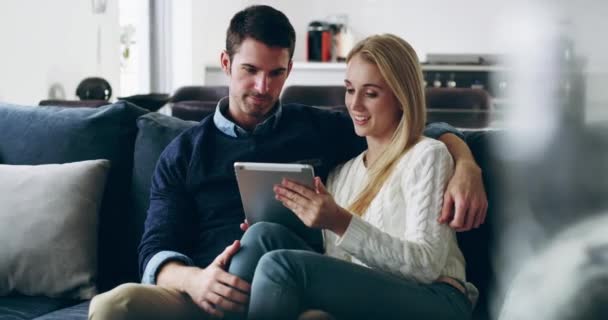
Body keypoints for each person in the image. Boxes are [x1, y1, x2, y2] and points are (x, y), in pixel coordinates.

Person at [88, 5, 485, 320]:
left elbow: (411, 129)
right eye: (250, 70)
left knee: (277, 260)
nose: (262, 87)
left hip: (289, 285)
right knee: (112, 306)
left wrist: (466, 162)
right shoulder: (183, 152)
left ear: (289, 71)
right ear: (226, 64)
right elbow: (155, 247)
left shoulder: (322, 129)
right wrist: (196, 280)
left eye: (275, 73)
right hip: (203, 284)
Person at [225, 33, 476, 320]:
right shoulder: (343, 173)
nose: (354, 105)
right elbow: (343, 261)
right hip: (378, 292)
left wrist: (340, 221)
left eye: (370, 93)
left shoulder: (427, 155)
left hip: (437, 298)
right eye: (349, 89)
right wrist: (303, 220)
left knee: (280, 266)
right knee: (261, 235)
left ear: (401, 97)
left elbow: (426, 265)